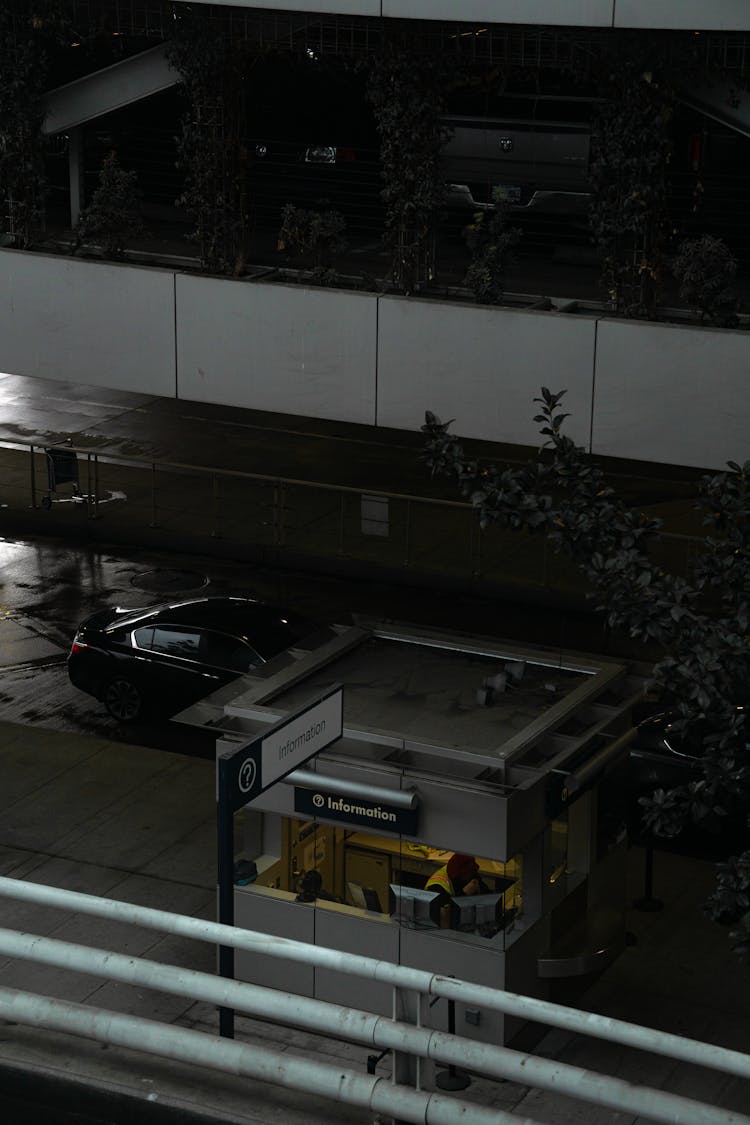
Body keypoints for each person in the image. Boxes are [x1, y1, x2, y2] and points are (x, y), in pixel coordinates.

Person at [425, 853, 484, 929]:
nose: (472, 875)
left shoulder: (463, 871)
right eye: (470, 874)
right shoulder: (437, 889)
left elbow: (481, 885)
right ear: (461, 876)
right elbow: (447, 920)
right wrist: (464, 893)